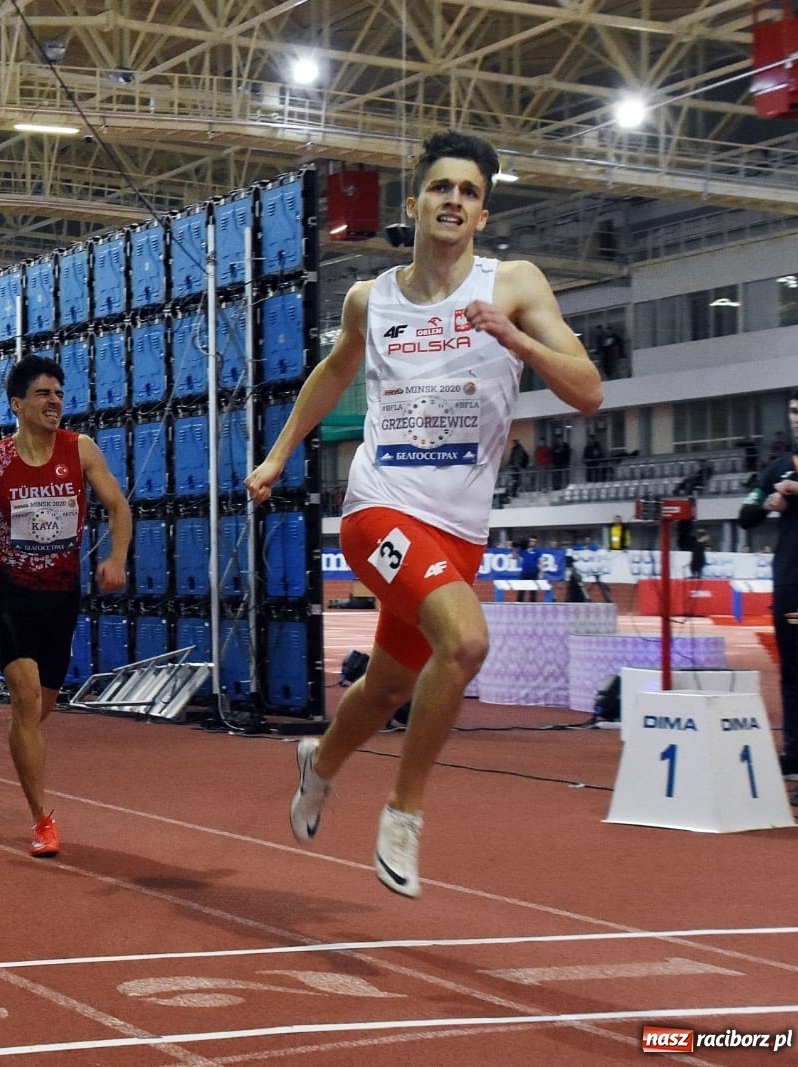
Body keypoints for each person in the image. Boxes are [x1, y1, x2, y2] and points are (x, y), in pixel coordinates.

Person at [245, 130, 602, 898]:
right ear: (414, 204)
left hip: (458, 529)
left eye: (470, 192)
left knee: (383, 688)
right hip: (380, 508)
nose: (455, 201)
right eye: (442, 187)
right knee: (466, 639)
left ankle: (322, 762)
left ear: (481, 213)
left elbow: (588, 389)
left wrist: (515, 339)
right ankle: (404, 813)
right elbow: (332, 372)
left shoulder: (516, 285)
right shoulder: (370, 299)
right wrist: (279, 454)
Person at [0, 354, 132, 858]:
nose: (55, 403)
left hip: (61, 597)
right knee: (25, 700)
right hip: (13, 594)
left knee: (40, 709)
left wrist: (116, 557)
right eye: (43, 394)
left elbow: (118, 505)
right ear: (17, 404)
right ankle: (41, 818)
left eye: (58, 394)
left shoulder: (80, 450)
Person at [738, 384, 798, 807]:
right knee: (792, 673)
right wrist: (770, 504)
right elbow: (745, 515)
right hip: (791, 579)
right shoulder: (778, 467)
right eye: (795, 411)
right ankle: (795, 752)